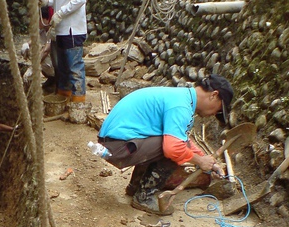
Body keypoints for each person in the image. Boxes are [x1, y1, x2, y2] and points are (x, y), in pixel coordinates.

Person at [97, 74, 234, 214]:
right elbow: (174, 148)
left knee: (175, 144)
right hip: (116, 147)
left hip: (115, 143)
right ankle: (144, 197)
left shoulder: (182, 98)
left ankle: (135, 187)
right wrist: (199, 160)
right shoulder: (181, 106)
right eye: (218, 109)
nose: (214, 114)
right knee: (173, 149)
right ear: (214, 95)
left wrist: (208, 164)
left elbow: (184, 140)